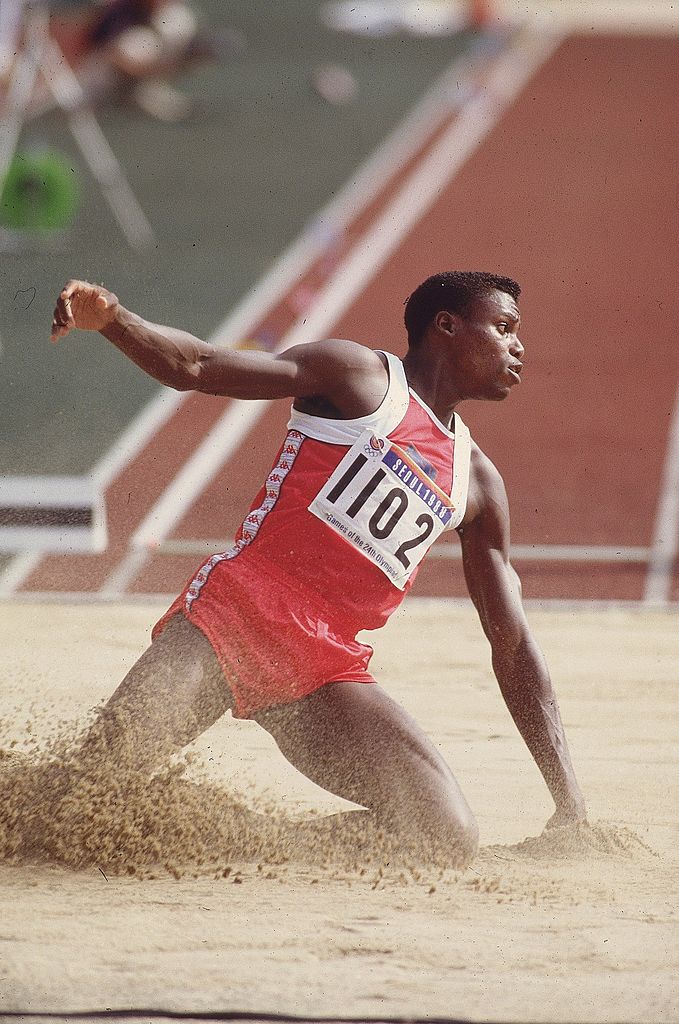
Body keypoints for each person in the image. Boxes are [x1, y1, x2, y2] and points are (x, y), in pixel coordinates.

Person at [49, 270, 587, 868]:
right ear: (447, 327)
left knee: (443, 836)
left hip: (320, 671)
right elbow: (198, 367)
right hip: (230, 622)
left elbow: (511, 645)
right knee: (81, 797)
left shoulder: (477, 483)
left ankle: (221, 833)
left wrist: (569, 803)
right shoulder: (356, 377)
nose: (519, 347)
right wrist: (115, 320)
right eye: (505, 328)